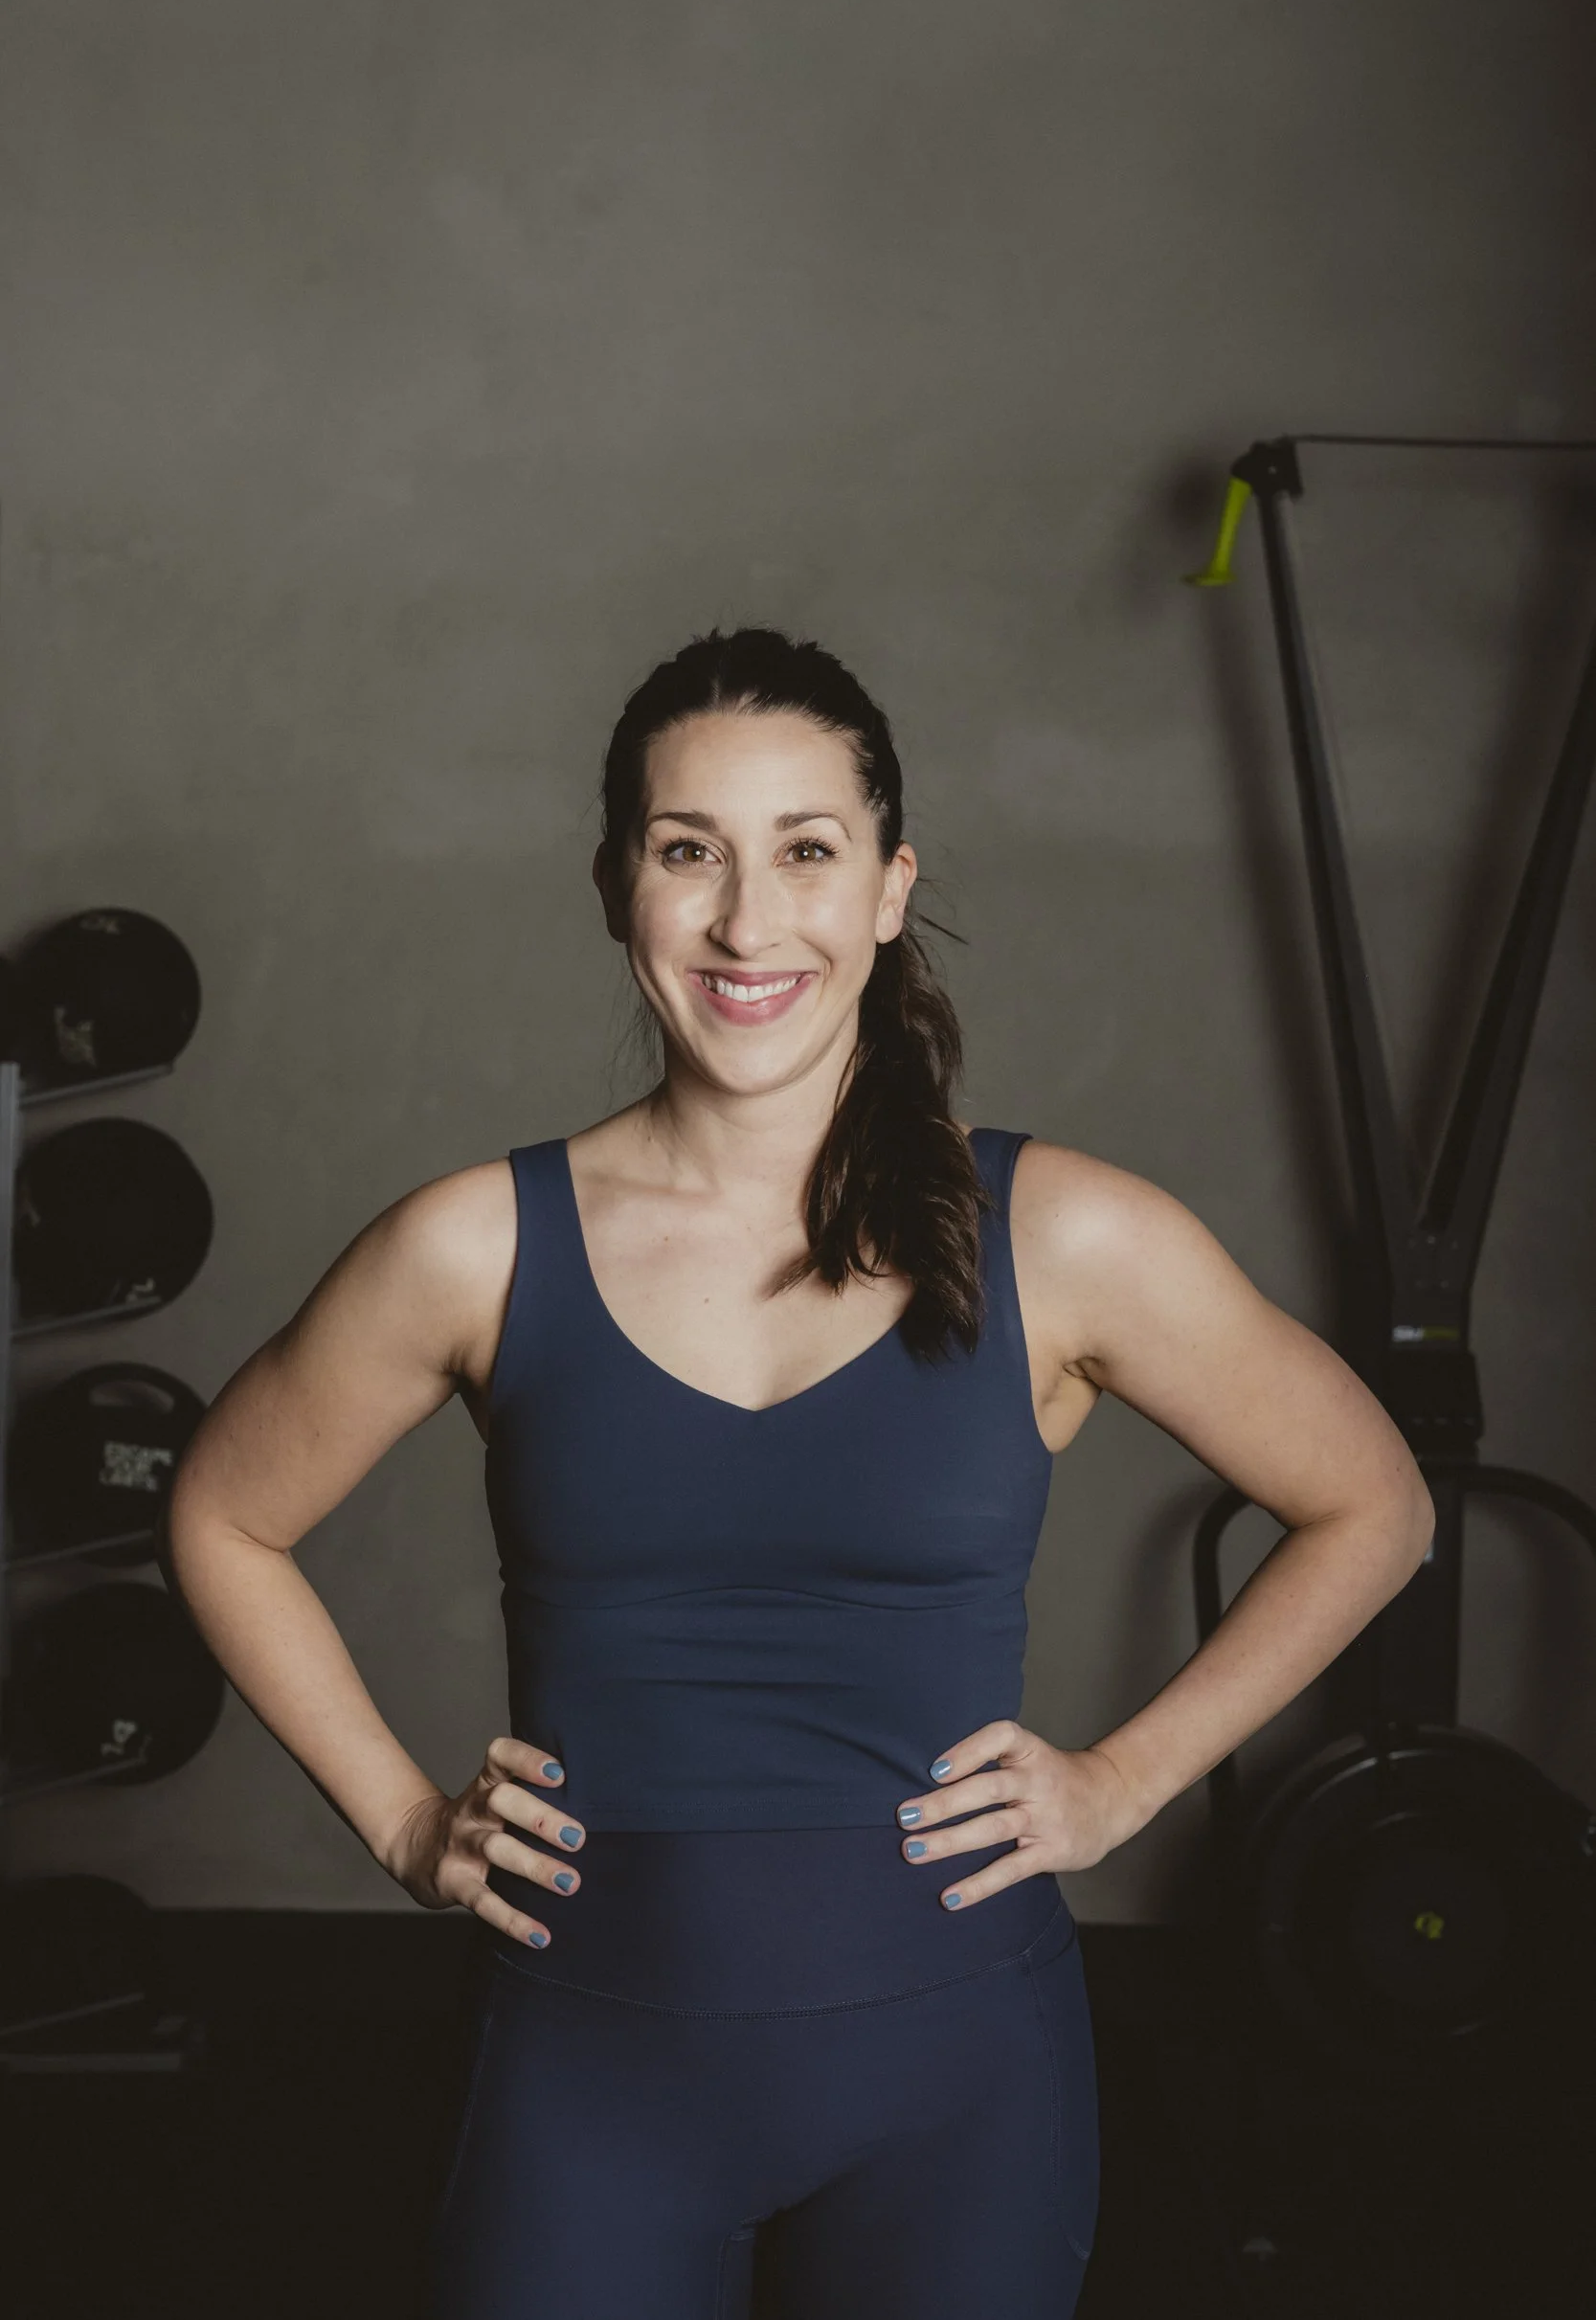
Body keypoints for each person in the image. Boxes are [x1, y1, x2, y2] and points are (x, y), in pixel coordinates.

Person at [166, 625, 1432, 2318]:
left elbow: (1377, 1504)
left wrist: (1121, 1782)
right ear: (616, 884)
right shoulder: (472, 1246)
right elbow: (225, 1514)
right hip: (586, 2083)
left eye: (806, 854)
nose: (749, 923)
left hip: (956, 2093)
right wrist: (405, 1824)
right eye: (690, 853)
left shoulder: (1058, 1237)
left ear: (892, 887)